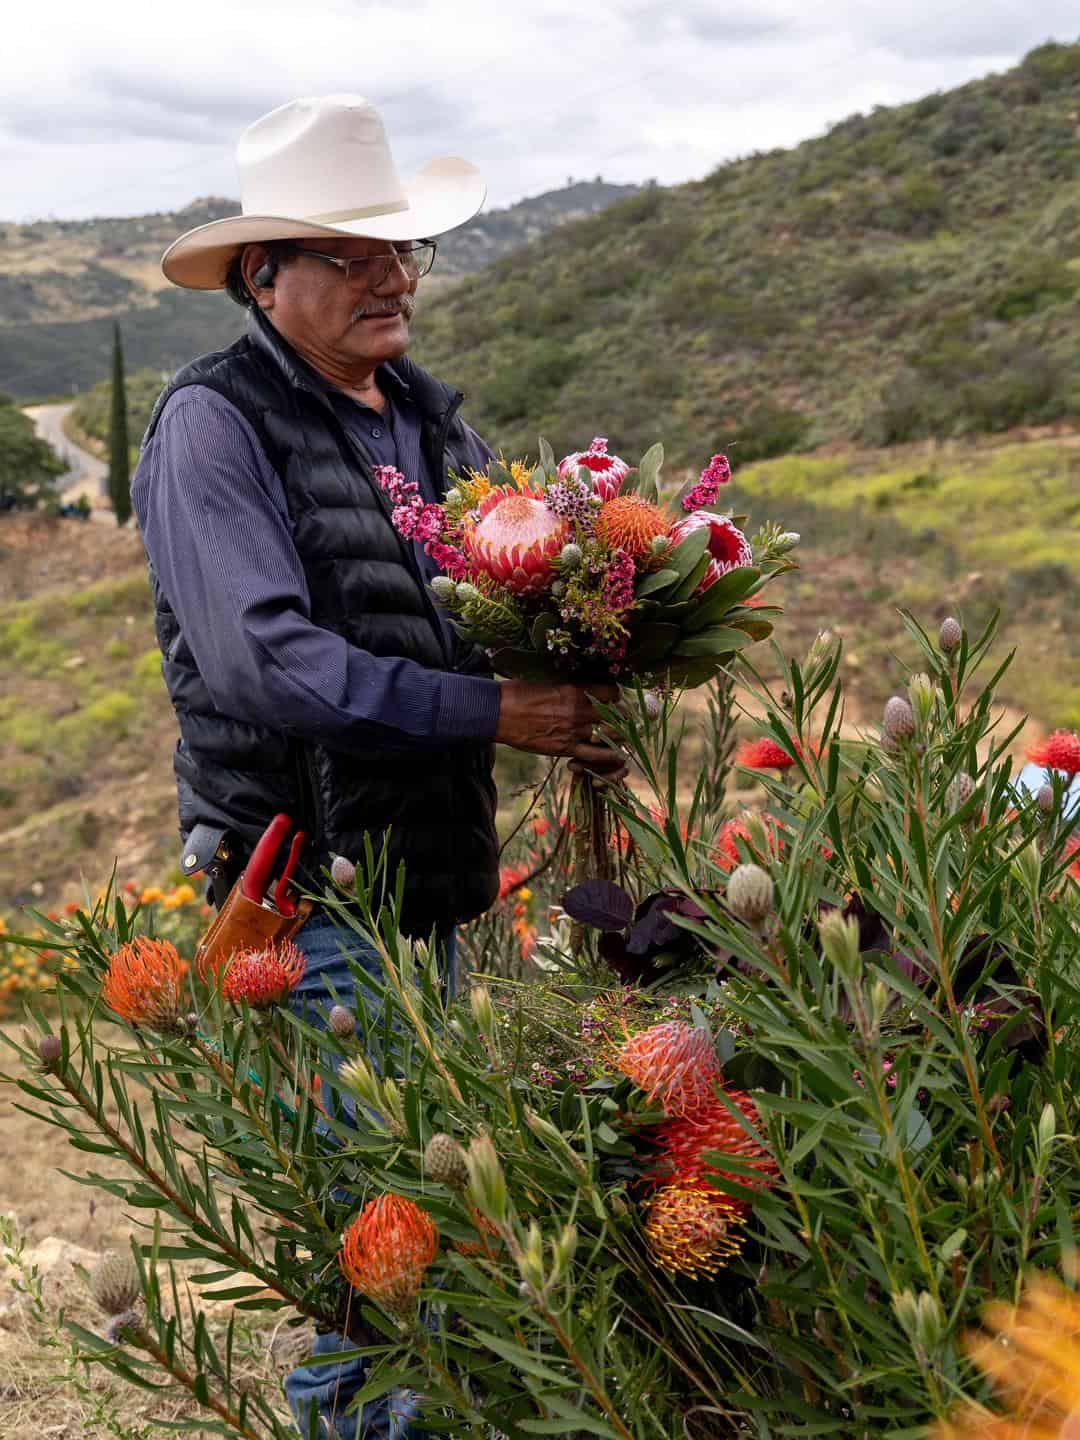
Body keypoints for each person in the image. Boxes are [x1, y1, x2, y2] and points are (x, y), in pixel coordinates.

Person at [131, 95, 623, 1438]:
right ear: (260, 275)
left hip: (440, 890)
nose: (391, 276)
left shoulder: (427, 422)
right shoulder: (210, 428)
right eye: (350, 254)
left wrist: (600, 627)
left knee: (445, 1228)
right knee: (387, 1253)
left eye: (396, 250)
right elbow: (264, 665)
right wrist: (488, 710)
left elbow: (496, 601)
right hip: (317, 911)